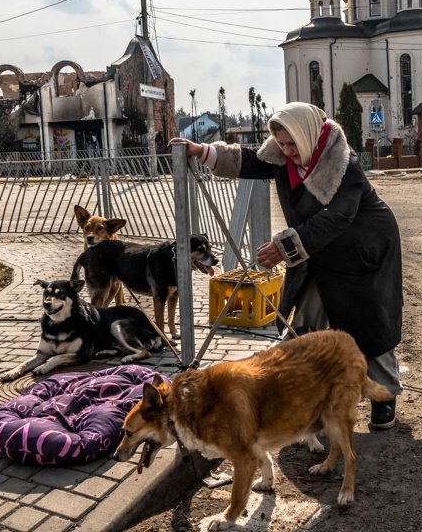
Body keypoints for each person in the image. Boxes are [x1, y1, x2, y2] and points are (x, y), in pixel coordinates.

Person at [170, 102, 403, 430]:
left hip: (362, 249)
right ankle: (306, 396)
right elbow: (250, 159)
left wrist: (283, 248)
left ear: (308, 135)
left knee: (368, 323)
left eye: (293, 144)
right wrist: (203, 151)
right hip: (315, 249)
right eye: (281, 143)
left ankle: (384, 396)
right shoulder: (282, 155)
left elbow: (338, 217)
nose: (288, 151)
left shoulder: (343, 164)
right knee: (304, 320)